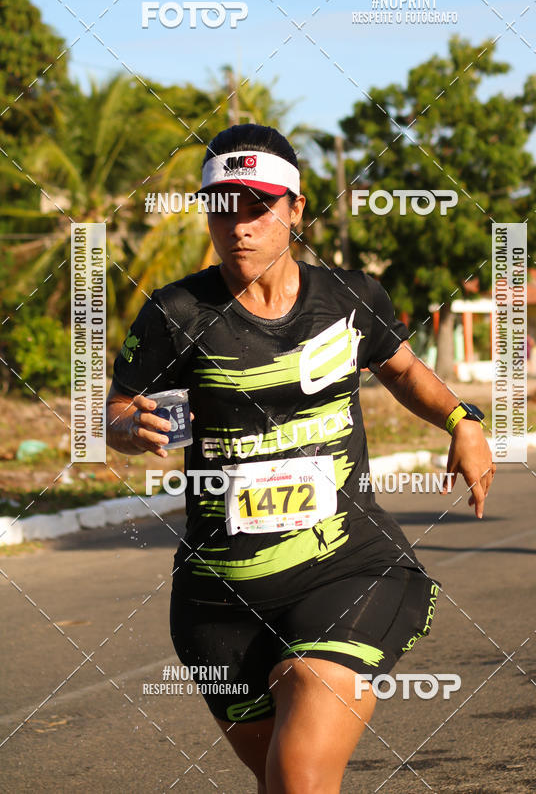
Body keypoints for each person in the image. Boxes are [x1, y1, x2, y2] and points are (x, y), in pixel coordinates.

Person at [106, 124, 495, 794]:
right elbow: (117, 409)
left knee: (300, 775)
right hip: (218, 598)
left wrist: (462, 421)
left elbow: (400, 371)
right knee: (283, 783)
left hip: (346, 567)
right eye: (222, 209)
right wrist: (125, 428)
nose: (238, 227)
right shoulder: (176, 312)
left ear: (295, 209)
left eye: (257, 208)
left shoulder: (348, 299)